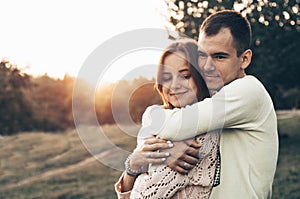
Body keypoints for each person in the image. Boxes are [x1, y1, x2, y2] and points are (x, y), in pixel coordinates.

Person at [144, 10, 279, 198]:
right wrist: (165, 148)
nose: (208, 66)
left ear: (244, 59)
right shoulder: (214, 97)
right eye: (202, 56)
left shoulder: (248, 91)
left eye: (219, 57)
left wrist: (150, 115)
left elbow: (174, 124)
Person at [115, 38, 221, 198]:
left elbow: (140, 196)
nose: (174, 85)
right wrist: (133, 165)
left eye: (185, 76)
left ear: (201, 77)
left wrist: (149, 160)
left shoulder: (200, 135)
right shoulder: (162, 123)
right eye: (166, 78)